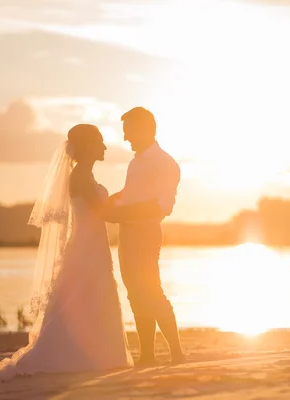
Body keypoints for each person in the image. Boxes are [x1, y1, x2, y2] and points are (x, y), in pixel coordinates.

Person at [0, 124, 155, 379]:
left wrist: (125, 199)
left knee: (91, 298)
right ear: (88, 146)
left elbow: (101, 207)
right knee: (83, 298)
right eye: (100, 141)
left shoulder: (85, 176)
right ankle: (75, 355)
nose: (105, 146)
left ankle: (98, 355)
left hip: (92, 245)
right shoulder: (79, 177)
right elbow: (105, 213)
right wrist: (143, 212)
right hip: (86, 249)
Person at [111, 107, 185, 366]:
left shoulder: (165, 163)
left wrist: (118, 213)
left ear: (146, 129)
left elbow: (162, 206)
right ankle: (147, 356)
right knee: (135, 293)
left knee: (152, 291)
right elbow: (131, 194)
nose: (125, 139)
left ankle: (176, 353)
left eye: (129, 132)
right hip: (127, 234)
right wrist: (103, 203)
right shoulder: (136, 162)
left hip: (145, 234)